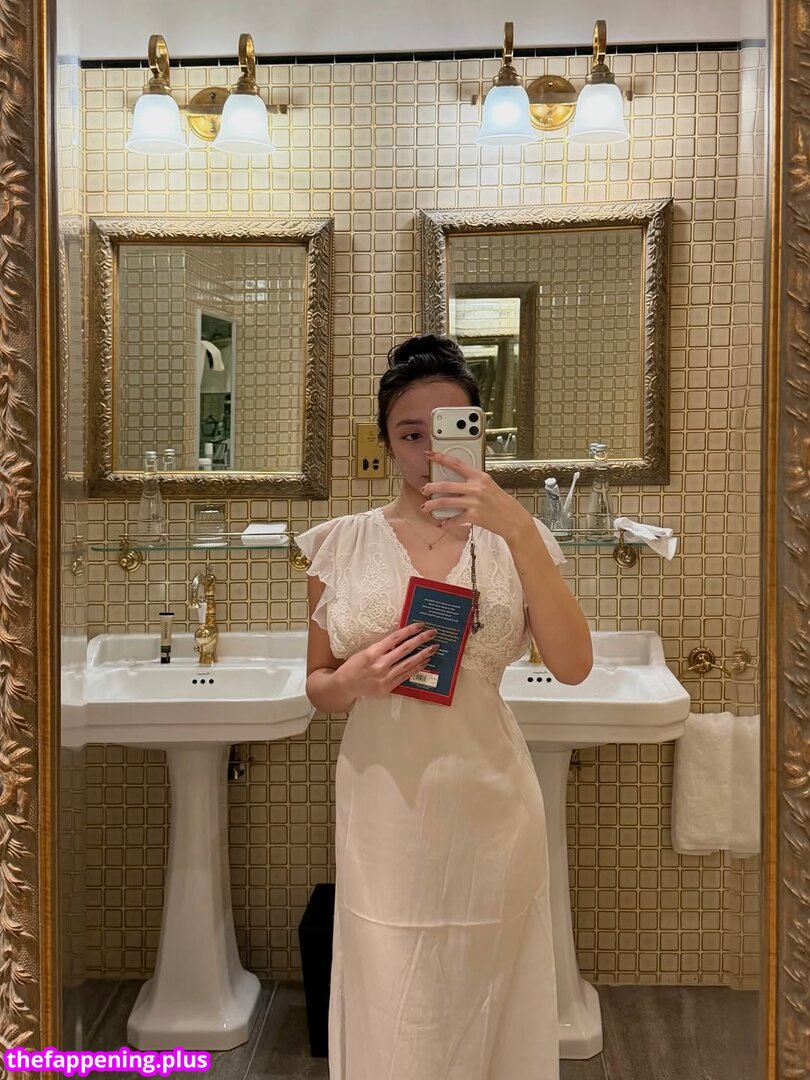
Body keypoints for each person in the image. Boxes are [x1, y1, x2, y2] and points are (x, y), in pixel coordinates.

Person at [296, 335, 593, 1080]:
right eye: (410, 434)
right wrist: (355, 678)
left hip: (491, 803)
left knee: (491, 982)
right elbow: (319, 687)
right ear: (385, 442)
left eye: (450, 430)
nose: (431, 452)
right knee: (390, 980)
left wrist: (516, 525)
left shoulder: (518, 539)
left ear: (480, 433)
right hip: (384, 807)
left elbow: (573, 666)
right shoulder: (341, 545)